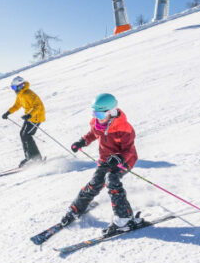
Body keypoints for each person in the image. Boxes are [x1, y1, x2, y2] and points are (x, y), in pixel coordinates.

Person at [61, 93, 142, 237]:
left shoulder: (124, 128)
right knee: (95, 183)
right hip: (105, 158)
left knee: (112, 179)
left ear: (111, 112)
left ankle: (124, 219)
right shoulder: (97, 122)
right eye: (94, 113)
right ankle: (76, 208)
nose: (96, 116)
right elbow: (93, 134)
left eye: (99, 113)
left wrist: (119, 159)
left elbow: (128, 150)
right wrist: (82, 142)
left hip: (125, 159)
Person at [1, 75, 45, 166]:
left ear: (20, 85)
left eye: (14, 87)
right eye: (12, 87)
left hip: (36, 118)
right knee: (23, 134)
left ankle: (36, 158)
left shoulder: (28, 94)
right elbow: (17, 105)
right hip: (29, 117)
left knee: (27, 135)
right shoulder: (21, 94)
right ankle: (29, 157)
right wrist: (8, 113)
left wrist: (30, 114)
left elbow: (38, 106)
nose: (13, 90)